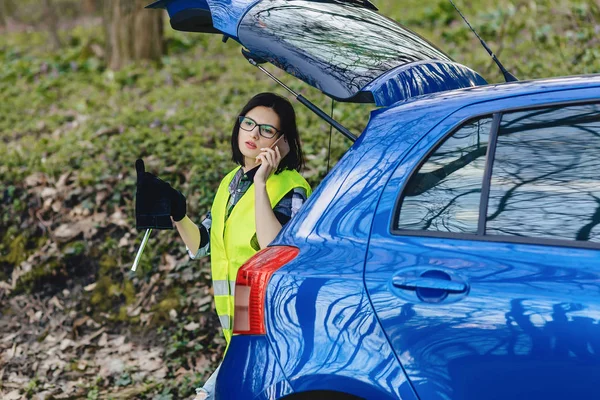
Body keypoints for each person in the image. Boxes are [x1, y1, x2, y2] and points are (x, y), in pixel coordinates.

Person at [135, 92, 312, 400]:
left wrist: (261, 183)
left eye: (267, 130)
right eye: (248, 123)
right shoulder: (230, 183)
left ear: (283, 142)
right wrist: (177, 213)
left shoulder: (291, 187)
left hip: (271, 322)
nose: (254, 134)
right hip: (239, 326)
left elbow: (277, 251)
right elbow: (203, 243)